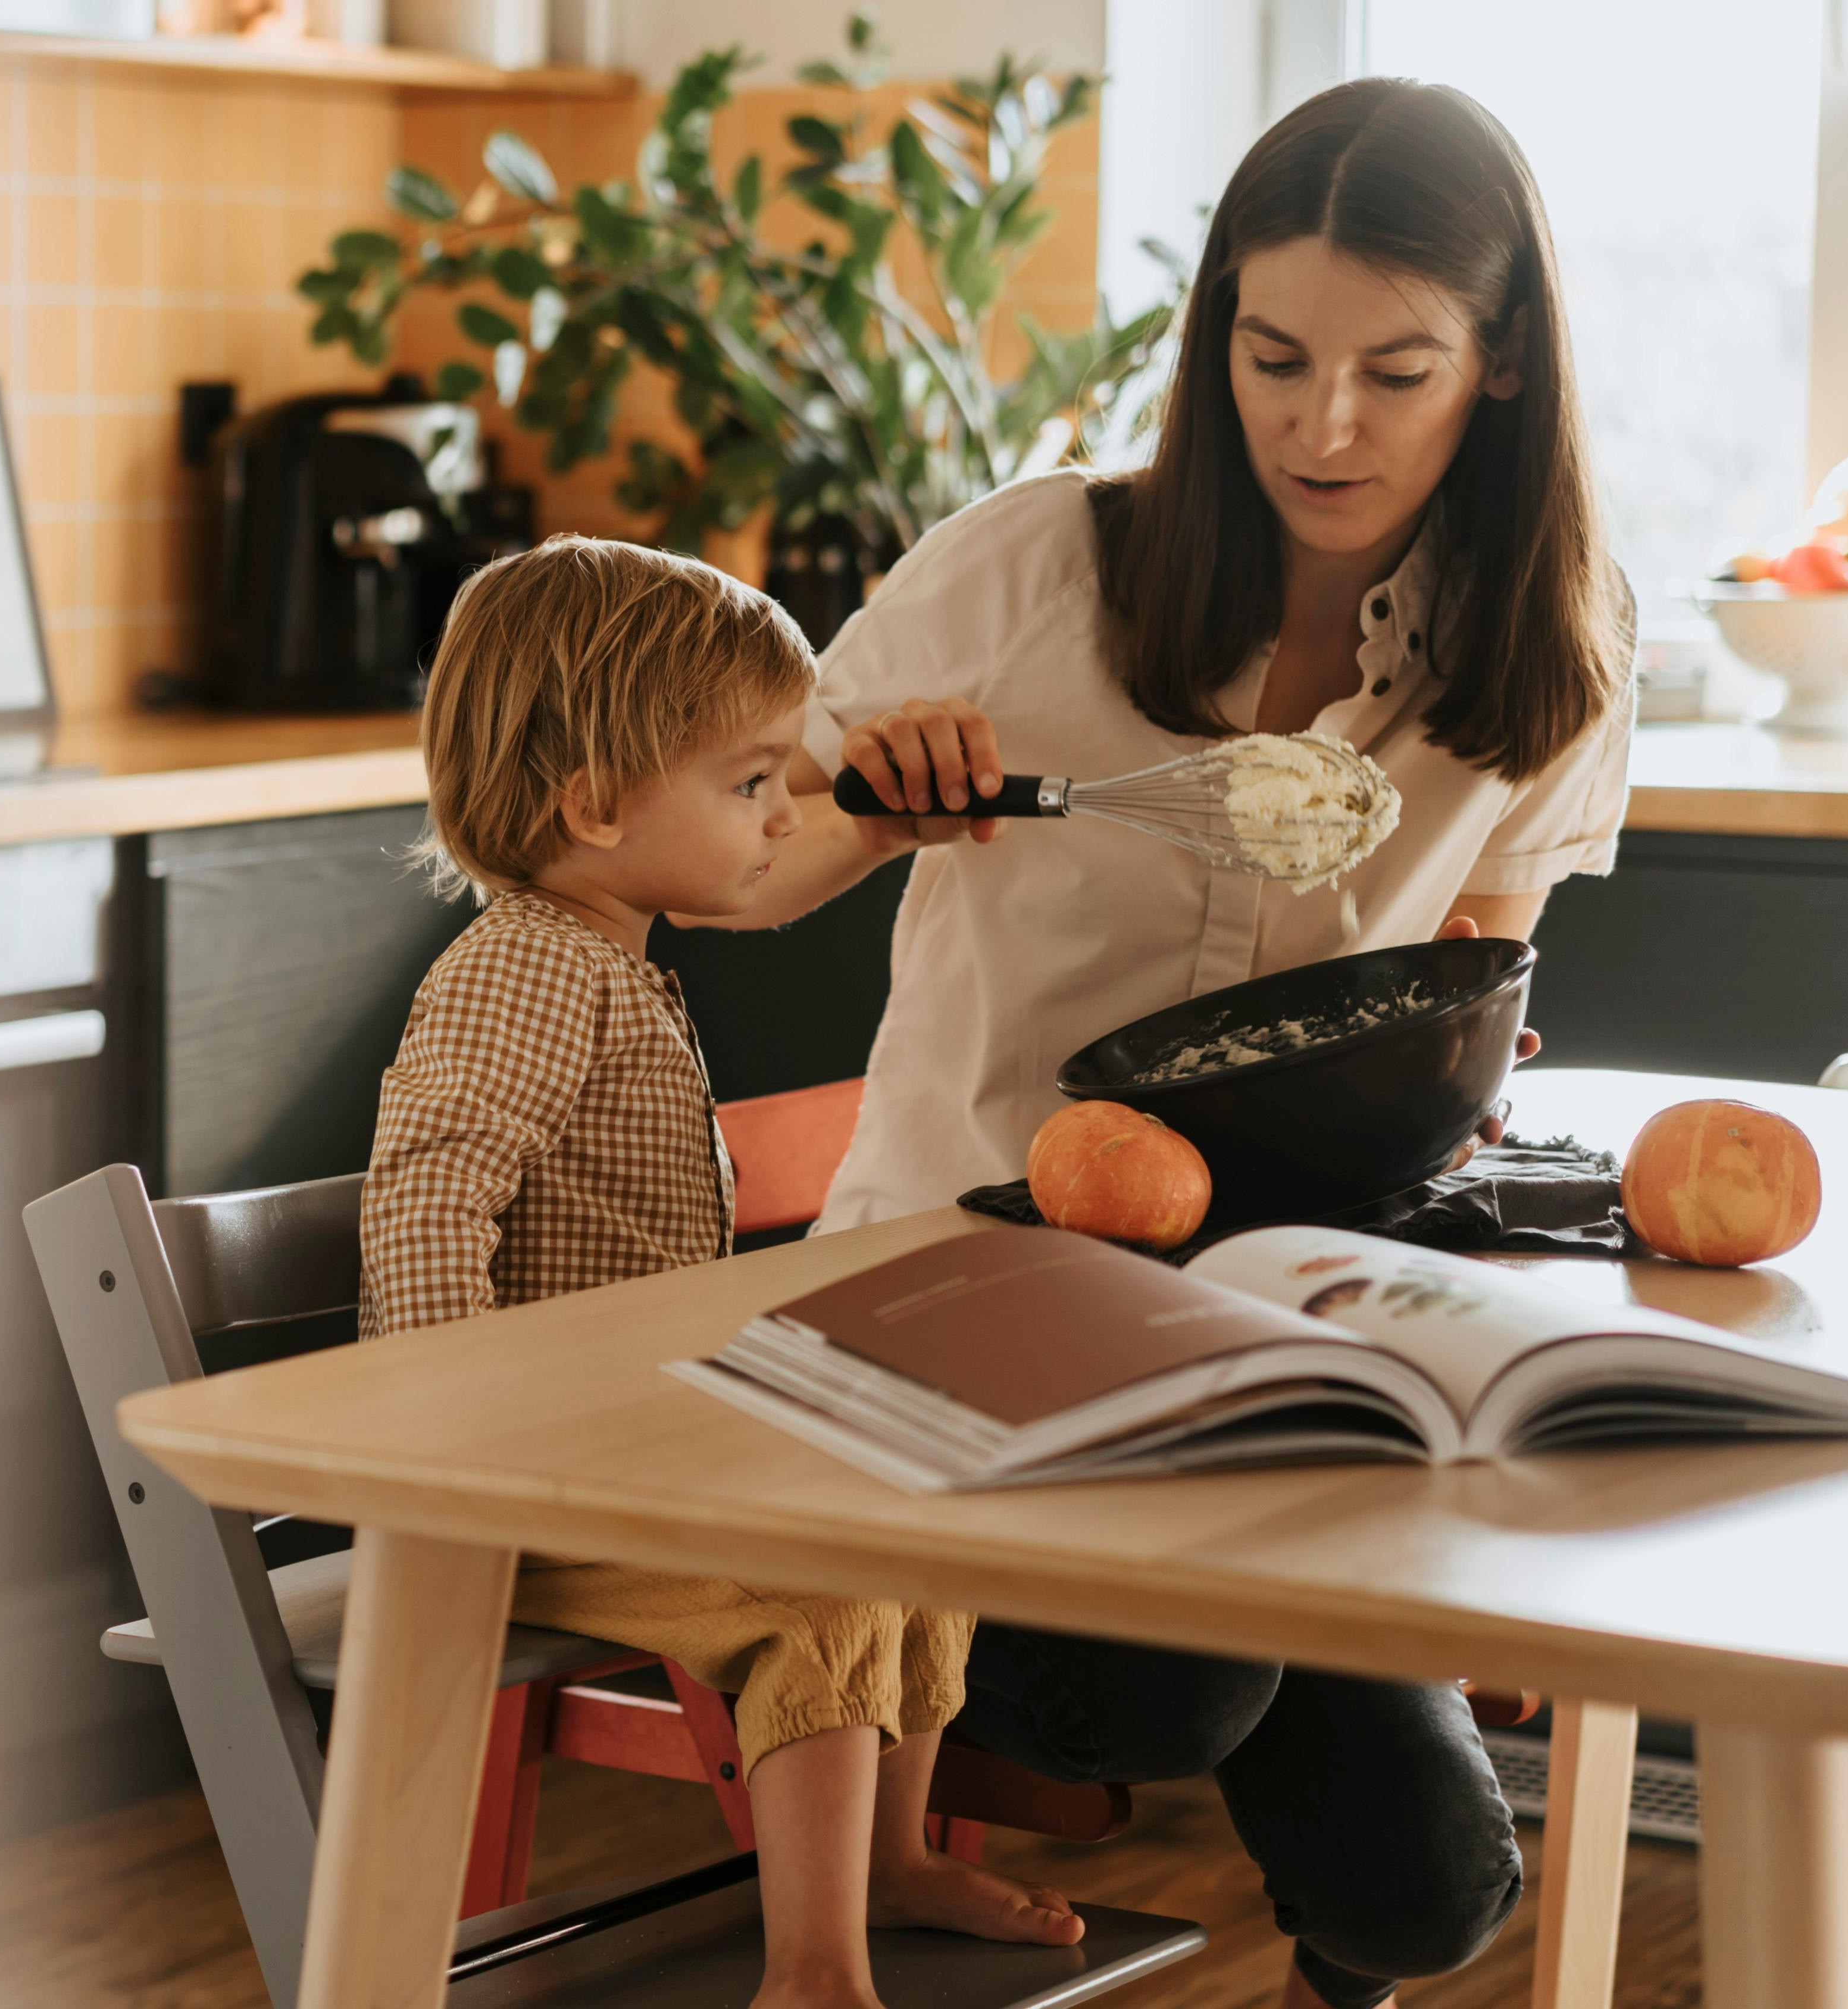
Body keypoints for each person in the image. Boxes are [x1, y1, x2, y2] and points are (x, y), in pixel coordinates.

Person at [697, 78, 1629, 2009]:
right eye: (1276, 358)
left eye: (1398, 366)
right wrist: (869, 795)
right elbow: (751, 874)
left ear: (1505, 361)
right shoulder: (1036, 567)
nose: (1328, 425)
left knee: (1427, 1895)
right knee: (1164, 1676)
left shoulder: (1553, 644)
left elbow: (1464, 994)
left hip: (1276, 1332)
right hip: (957, 1316)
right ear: (1217, 340)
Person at [358, 535, 1068, 2009]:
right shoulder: (532, 970)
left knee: (916, 1526)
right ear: (597, 804)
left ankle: (885, 1866)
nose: (776, 811)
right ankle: (815, 1965)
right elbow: (427, 1198)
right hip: (527, 1483)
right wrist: (454, 1452)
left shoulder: (603, 951)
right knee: (825, 1596)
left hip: (616, 1451)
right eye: (749, 783)